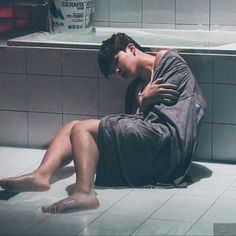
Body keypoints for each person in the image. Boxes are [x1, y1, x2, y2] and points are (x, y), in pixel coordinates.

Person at [0, 33, 206, 213]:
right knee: (71, 126)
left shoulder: (167, 60)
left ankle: (84, 193)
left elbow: (175, 112)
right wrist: (143, 100)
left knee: (83, 128)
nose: (117, 72)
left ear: (131, 49)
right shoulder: (136, 89)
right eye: (113, 72)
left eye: (116, 62)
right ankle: (41, 176)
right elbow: (139, 123)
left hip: (169, 149)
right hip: (152, 143)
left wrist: (144, 100)